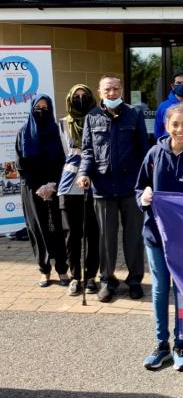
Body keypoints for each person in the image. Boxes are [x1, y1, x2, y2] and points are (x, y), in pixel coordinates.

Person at [136, 103, 183, 371]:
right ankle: (161, 345)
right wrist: (143, 198)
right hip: (155, 235)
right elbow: (139, 189)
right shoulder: (154, 154)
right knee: (159, 289)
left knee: (181, 290)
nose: (180, 130)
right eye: (175, 124)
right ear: (166, 126)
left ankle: (180, 345)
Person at [77, 75, 149, 303]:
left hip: (131, 186)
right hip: (103, 186)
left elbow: (143, 150)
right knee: (106, 238)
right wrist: (84, 173)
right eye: (107, 89)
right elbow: (87, 149)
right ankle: (107, 281)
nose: (112, 93)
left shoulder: (134, 114)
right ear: (100, 92)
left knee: (133, 238)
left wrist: (145, 181)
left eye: (116, 89)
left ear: (122, 90)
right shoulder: (91, 117)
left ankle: (135, 280)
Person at [15, 94, 69, 287]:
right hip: (32, 189)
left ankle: (62, 269)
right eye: (38, 106)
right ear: (31, 108)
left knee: (58, 229)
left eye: (45, 107)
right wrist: (38, 186)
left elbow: (63, 160)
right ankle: (44, 270)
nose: (41, 110)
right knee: (38, 231)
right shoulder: (23, 132)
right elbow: (21, 164)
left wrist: (52, 184)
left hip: (54, 187)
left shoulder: (56, 131)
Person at [58, 84, 100, 296]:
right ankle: (75, 277)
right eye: (77, 96)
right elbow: (57, 158)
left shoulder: (98, 121)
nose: (81, 99)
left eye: (85, 95)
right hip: (68, 186)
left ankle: (91, 275)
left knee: (93, 233)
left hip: (94, 185)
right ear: (69, 99)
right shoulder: (62, 125)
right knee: (72, 235)